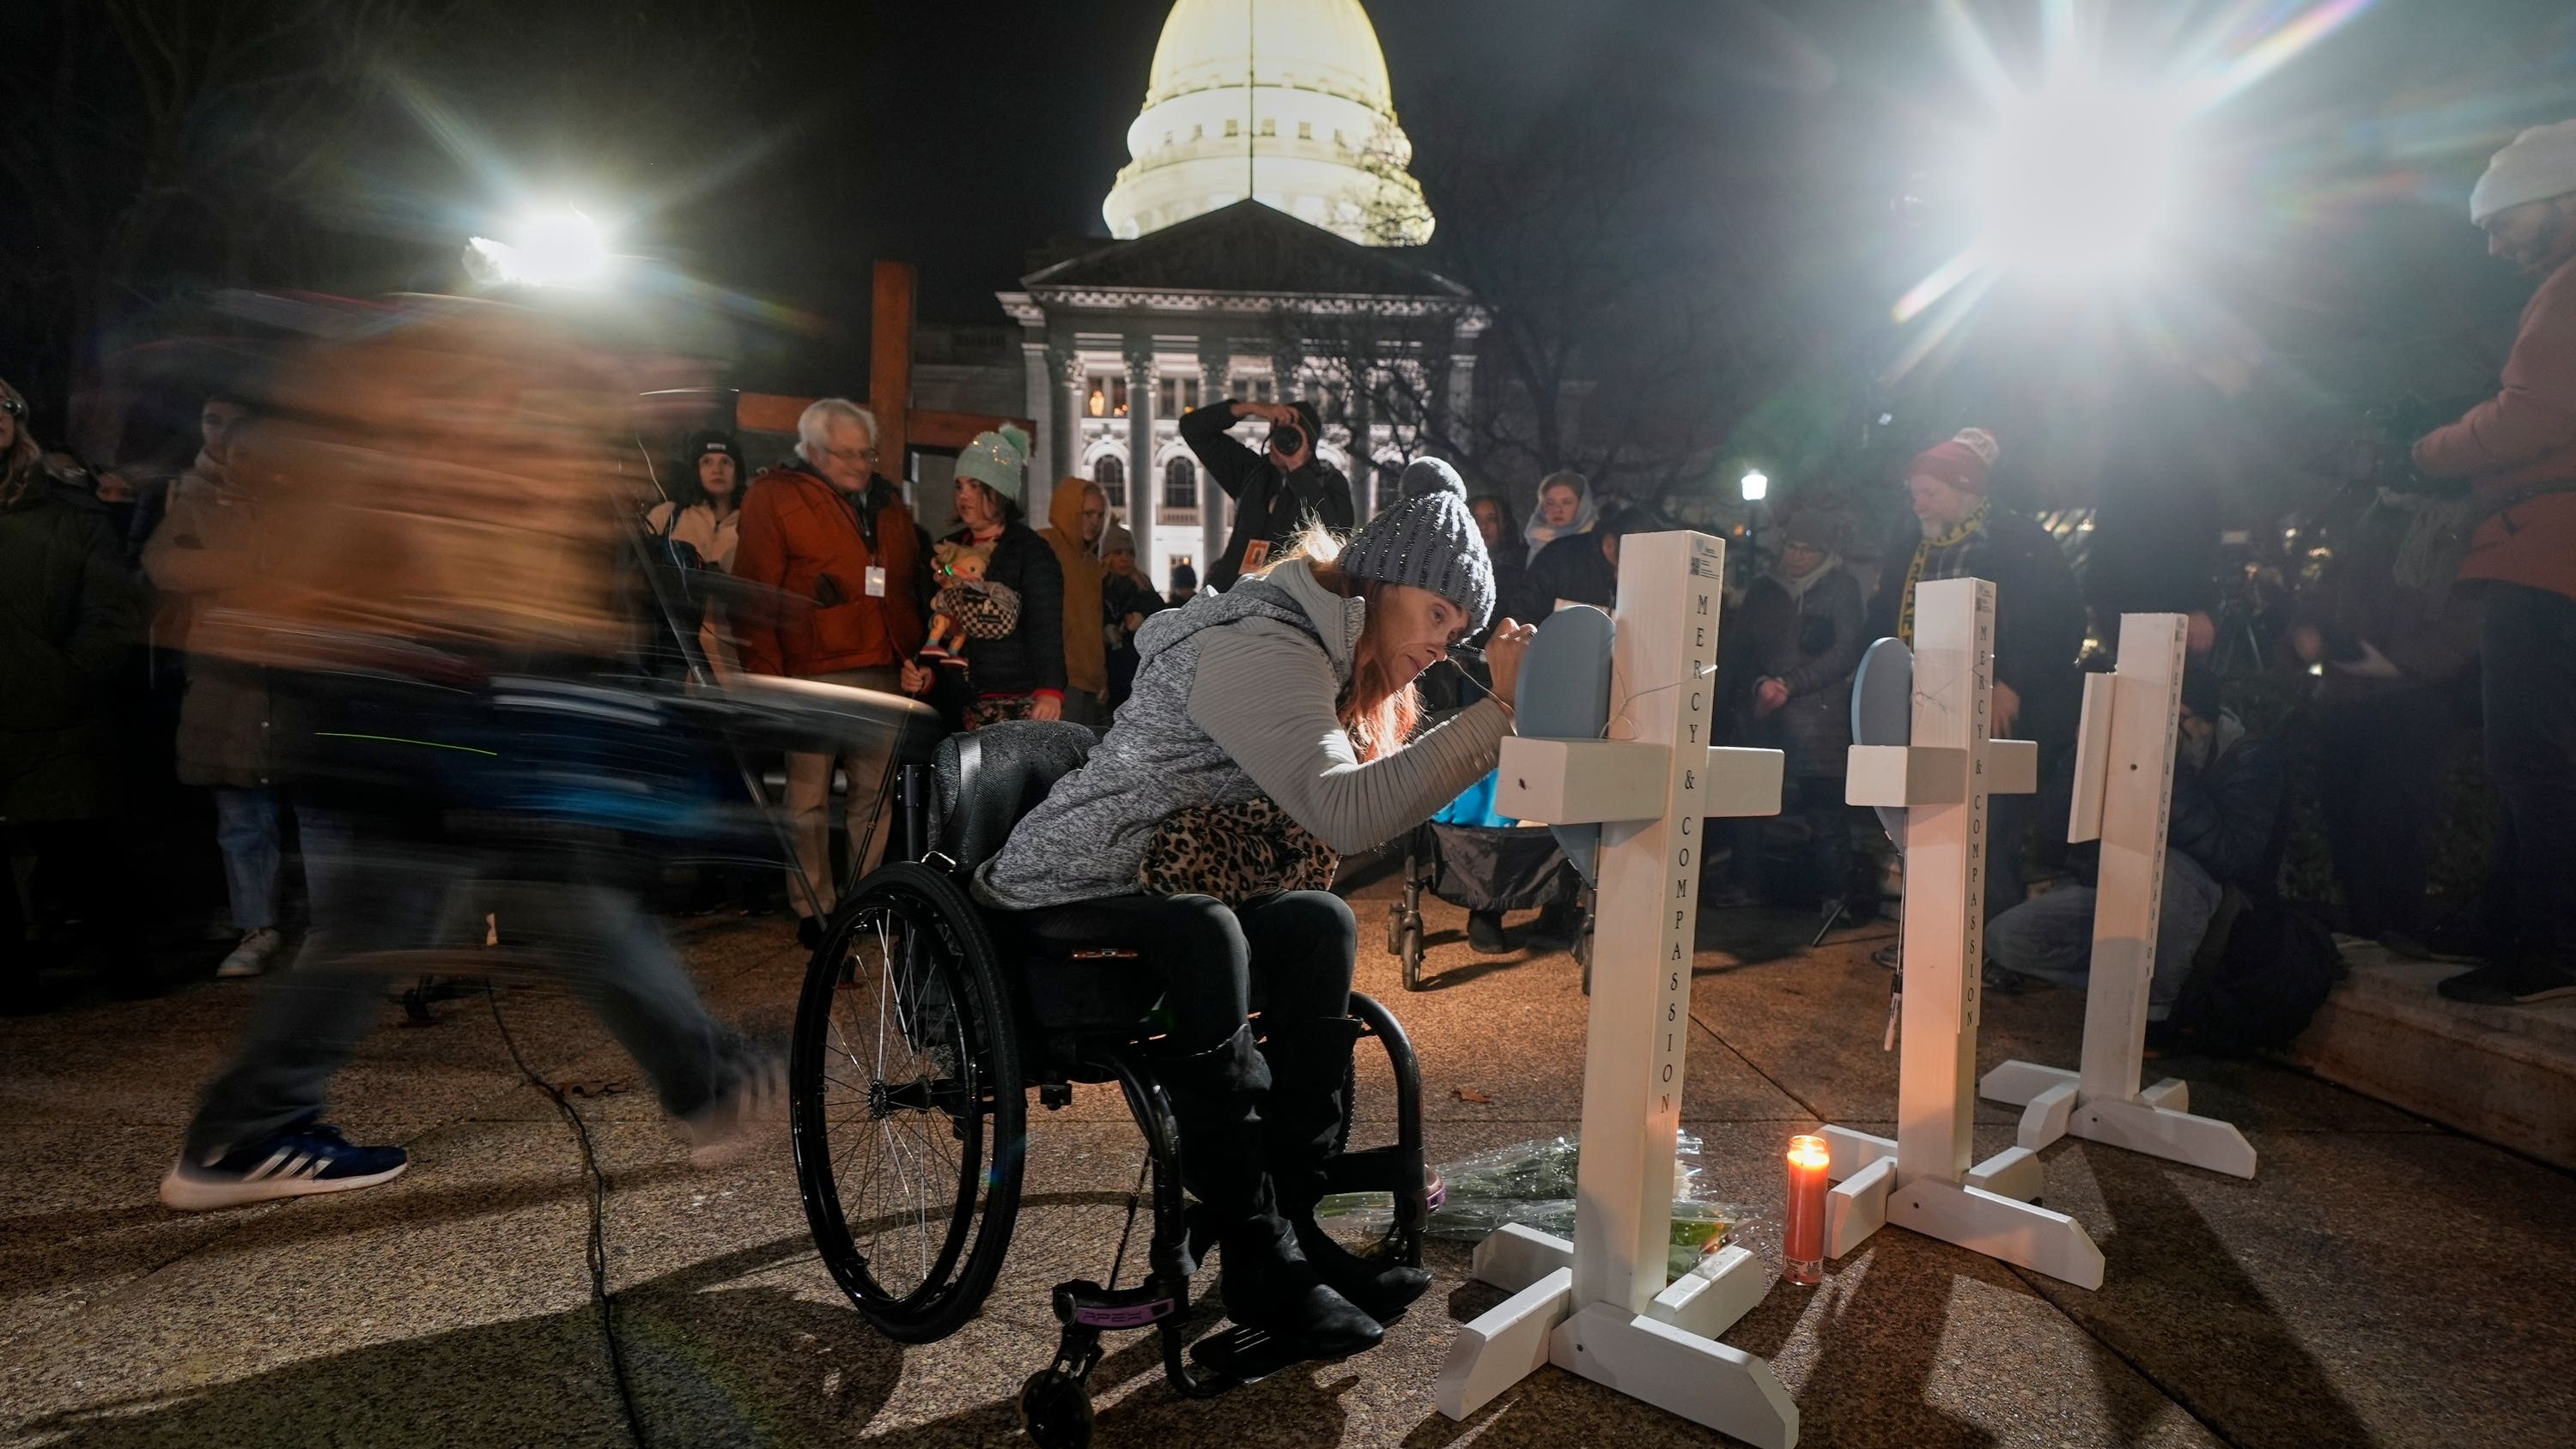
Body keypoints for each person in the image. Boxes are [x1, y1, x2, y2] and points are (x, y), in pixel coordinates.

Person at [155, 304, 777, 1208]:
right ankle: (709, 1080)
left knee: (429, 907)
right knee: (527, 896)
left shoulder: (507, 382)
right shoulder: (491, 379)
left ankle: (249, 1124)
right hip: (428, 687)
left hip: (426, 682)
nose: (678, 395)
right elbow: (459, 527)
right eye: (674, 369)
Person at [975, 458, 1534, 1361]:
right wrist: (1502, 710)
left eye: (1459, 629)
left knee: (1321, 921)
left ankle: (1293, 1220)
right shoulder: (1263, 642)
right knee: (1210, 933)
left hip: (1168, 880)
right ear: (1383, 581)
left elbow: (1344, 811)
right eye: (1438, 615)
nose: (1443, 645)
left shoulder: (1316, 645)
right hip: (1074, 880)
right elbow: (1345, 808)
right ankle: (1253, 1247)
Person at [2410, 119, 2576, 1005]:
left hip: (2550, 554)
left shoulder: (2569, 289)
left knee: (2528, 750)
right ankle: (2513, 920)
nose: (2494, 238)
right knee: (2539, 746)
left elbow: (2530, 417)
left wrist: (2430, 450)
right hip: (2549, 550)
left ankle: (2545, 940)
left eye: (2506, 217)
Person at [1867, 427, 2085, 921]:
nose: (1918, 503)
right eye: (1914, 492)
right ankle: (1928, 937)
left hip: (2001, 712)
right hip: (1922, 707)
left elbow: (2062, 621)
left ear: (1966, 490)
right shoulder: (1908, 549)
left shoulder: (2023, 542)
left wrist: (2014, 684)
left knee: (1993, 828)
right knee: (1925, 821)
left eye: (1929, 492)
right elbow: (1881, 621)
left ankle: (1992, 945)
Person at [732, 399, 927, 949]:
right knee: (809, 799)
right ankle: (813, 906)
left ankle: (862, 900)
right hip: (809, 671)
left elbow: (904, 585)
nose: (863, 464)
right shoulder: (775, 497)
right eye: (849, 455)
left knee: (874, 797)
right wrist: (765, 674)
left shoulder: (888, 505)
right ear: (815, 451)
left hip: (882, 666)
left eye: (868, 452)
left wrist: (912, 653)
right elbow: (753, 590)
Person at [1987, 668, 2286, 1023]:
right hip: (2125, 894)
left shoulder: (2248, 758)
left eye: (2174, 721)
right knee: (2008, 940)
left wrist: (2167, 776)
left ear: (2203, 722)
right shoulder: (2130, 750)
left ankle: (2156, 1008)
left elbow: (2232, 859)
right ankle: (2126, 987)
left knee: (2171, 864)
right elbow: (2051, 834)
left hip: (2214, 915)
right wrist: (2083, 757)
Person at [0, 377, 149, 1010]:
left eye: (0, 406)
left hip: (57, 713)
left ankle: (127, 973)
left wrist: (69, 674)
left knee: (84, 850)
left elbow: (114, 610)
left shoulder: (64, 511)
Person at [143, 396, 299, 979]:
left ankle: (331, 926)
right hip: (226, 680)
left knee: (314, 808)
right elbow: (164, 566)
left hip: (292, 674)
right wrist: (247, 568)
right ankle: (256, 924)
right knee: (241, 812)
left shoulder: (306, 507)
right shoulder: (197, 500)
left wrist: (227, 569)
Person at [2292, 492, 2482, 953]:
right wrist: (2311, 634)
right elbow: (2334, 590)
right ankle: (2368, 931)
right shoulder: (2371, 517)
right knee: (2344, 814)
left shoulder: (2466, 519)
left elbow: (2472, 614)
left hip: (2419, 698)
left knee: (2390, 820)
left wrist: (2398, 663)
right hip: (2350, 691)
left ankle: (2395, 932)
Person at [1712, 508, 1866, 911]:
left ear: (1824, 552)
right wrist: (1759, 683)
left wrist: (1791, 684)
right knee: (1750, 803)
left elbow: (1846, 650)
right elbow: (1741, 648)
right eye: (1792, 548)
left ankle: (1837, 896)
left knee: (1824, 808)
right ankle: (1747, 884)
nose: (1796, 557)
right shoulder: (1764, 590)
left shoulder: (1842, 589)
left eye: (1807, 551)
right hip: (1762, 711)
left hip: (1820, 715)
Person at [900, 426, 1064, 729]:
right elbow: (934, 619)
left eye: (975, 485)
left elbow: (1045, 626)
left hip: (1015, 698)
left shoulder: (1030, 552)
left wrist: (1050, 690)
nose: (964, 495)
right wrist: (927, 672)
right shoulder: (946, 550)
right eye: (959, 485)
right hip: (955, 701)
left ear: (999, 492)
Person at [1181, 396, 1353, 592]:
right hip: (1232, 595)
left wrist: (1297, 468)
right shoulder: (1253, 473)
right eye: (1277, 431)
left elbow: (1336, 533)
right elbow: (1192, 428)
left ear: (1309, 446)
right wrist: (1252, 407)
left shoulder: (1328, 482)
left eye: (1291, 436)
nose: (1278, 441)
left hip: (1289, 602)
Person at [1036, 476, 1110, 724]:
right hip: (1058, 681)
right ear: (1070, 511)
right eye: (1088, 514)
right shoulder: (1045, 545)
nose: (1095, 522)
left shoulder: (1091, 563)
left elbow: (1092, 624)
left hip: (1088, 682)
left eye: (1100, 516)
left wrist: (1101, 678)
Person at [647, 429, 747, 573]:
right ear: (696, 471)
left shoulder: (753, 526)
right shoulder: (666, 515)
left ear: (738, 471)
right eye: (707, 462)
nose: (717, 470)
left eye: (726, 462)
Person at [1100, 523, 1168, 712]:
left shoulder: (1144, 588)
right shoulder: (1096, 588)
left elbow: (1164, 623)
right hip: (1107, 675)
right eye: (1119, 552)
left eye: (1130, 553)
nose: (1125, 558)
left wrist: (1145, 622)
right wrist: (1105, 634)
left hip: (1137, 673)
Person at [1469, 493, 1545, 629]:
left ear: (1504, 524)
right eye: (1476, 518)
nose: (1483, 526)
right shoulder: (1451, 564)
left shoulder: (1520, 570)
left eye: (1491, 519)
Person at [1519, 470, 1597, 567]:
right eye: (1550, 503)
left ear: (1582, 506)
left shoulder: (1598, 544)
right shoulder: (1529, 545)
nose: (1557, 510)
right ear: (1542, 508)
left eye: (1566, 502)